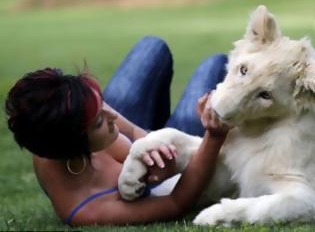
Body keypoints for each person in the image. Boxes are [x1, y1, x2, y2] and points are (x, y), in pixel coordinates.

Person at [5, 36, 229, 226]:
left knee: (152, 46)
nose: (112, 116)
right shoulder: (87, 209)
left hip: (144, 142)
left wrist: (153, 144)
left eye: (101, 103)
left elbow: (132, 129)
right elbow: (176, 203)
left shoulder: (74, 115)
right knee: (213, 65)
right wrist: (214, 136)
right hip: (167, 180)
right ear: (75, 144)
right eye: (99, 121)